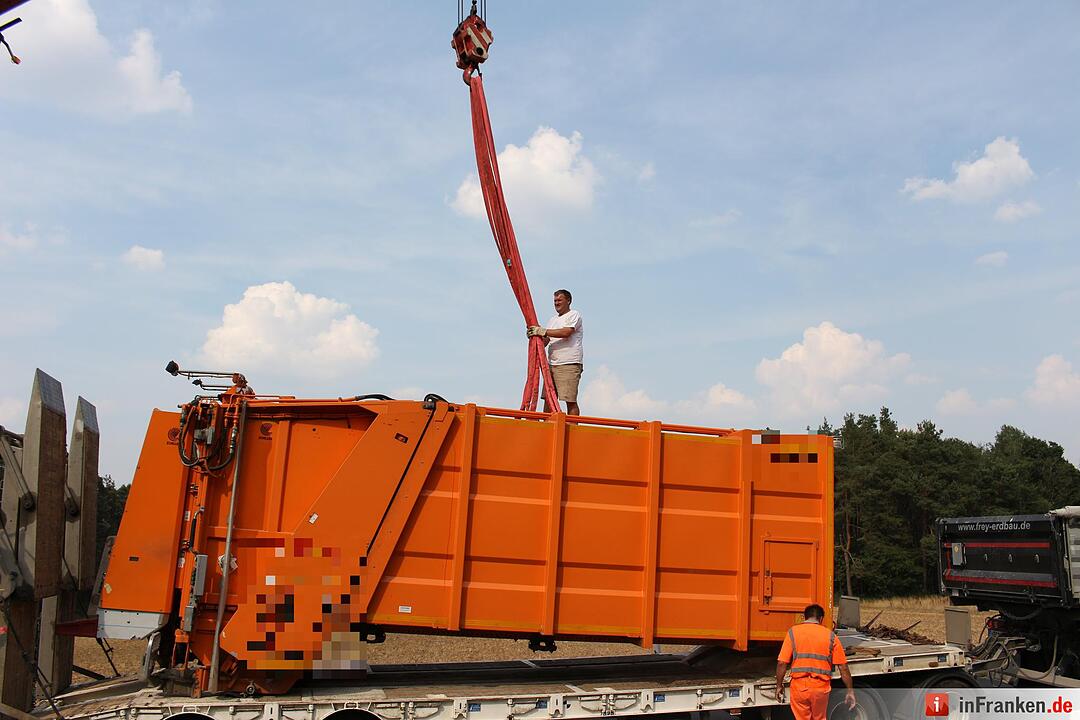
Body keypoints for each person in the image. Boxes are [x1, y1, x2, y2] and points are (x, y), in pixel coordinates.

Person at [775, 604, 856, 720]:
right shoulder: (831, 636)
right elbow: (843, 668)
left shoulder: (793, 632)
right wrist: (850, 691)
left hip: (799, 687)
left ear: (804, 617)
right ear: (821, 618)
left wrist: (779, 685)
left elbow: (782, 663)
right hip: (820, 688)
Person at [527, 289, 583, 415]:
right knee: (548, 398)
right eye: (555, 301)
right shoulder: (552, 320)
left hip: (568, 363)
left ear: (568, 301)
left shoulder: (573, 315)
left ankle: (573, 425)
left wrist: (543, 331)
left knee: (569, 399)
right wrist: (535, 336)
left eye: (559, 300)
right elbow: (546, 341)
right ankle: (547, 423)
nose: (556, 303)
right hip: (552, 364)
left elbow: (566, 332)